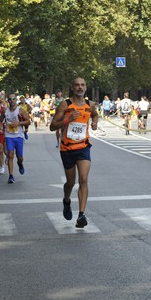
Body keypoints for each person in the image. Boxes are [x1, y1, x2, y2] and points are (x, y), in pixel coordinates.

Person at [50, 77, 99, 228]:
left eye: (82, 85)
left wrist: (95, 121)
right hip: (67, 148)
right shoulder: (66, 104)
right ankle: (66, 200)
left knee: (83, 179)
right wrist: (68, 119)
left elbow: (95, 114)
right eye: (77, 85)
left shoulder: (90, 104)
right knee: (71, 182)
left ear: (86, 88)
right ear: (72, 88)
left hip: (83, 147)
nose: (80, 87)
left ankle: (81, 215)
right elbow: (52, 126)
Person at [4, 93, 31, 183]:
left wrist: (18, 123)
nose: (12, 101)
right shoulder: (5, 111)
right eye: (10, 99)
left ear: (16, 100)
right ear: (8, 101)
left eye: (13, 99)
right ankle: (11, 176)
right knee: (10, 154)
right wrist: (0, 128)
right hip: (8, 136)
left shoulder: (21, 110)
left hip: (18, 136)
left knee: (19, 157)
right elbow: (0, 121)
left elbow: (28, 121)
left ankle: (20, 164)